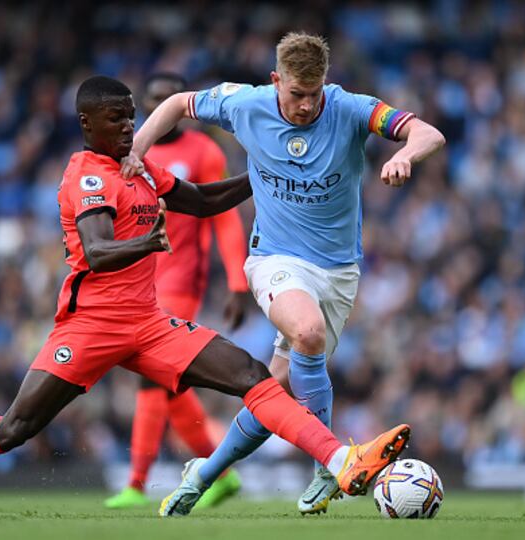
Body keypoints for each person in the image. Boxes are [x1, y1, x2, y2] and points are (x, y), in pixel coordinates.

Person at [0, 75, 410, 518]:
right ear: (85, 122)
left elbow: (199, 198)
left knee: (253, 377)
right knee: (14, 428)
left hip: (147, 324)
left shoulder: (138, 169)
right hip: (88, 327)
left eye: (131, 118)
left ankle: (340, 459)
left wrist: (260, 176)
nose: (127, 128)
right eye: (115, 119)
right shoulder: (88, 177)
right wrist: (150, 241)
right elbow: (96, 251)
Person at [122, 32, 445, 516]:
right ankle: (331, 466)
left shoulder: (352, 108)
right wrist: (137, 153)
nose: (305, 104)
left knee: (273, 391)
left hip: (337, 271)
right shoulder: (244, 103)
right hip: (274, 259)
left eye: (314, 93)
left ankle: (203, 474)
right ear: (276, 81)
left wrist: (403, 154)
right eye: (296, 94)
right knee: (308, 334)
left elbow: (428, 133)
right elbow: (176, 103)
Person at [104, 72, 248, 510]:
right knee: (170, 385)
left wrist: (238, 282)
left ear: (185, 106)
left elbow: (221, 217)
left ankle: (135, 483)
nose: (163, 107)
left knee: (154, 378)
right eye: (155, 99)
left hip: (181, 280)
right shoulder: (128, 155)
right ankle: (219, 473)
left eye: (172, 100)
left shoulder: (202, 151)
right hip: (137, 281)